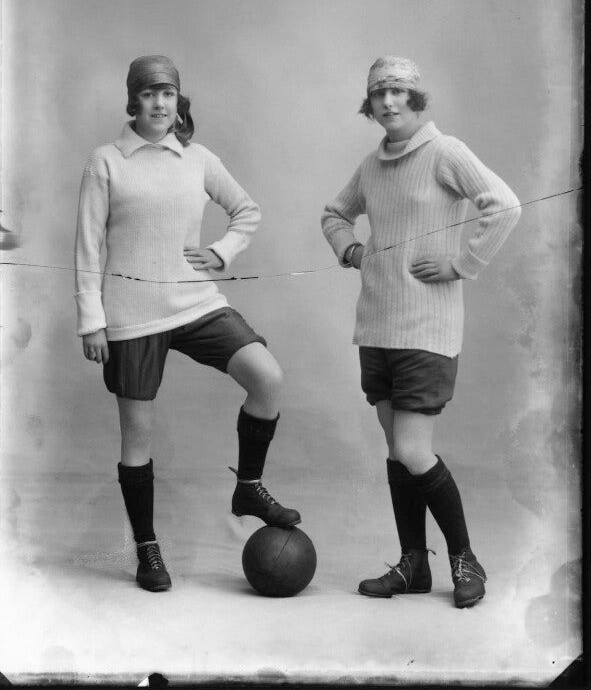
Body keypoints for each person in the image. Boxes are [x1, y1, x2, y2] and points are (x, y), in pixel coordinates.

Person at [75, 55, 300, 592]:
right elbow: (87, 243)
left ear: (179, 103)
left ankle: (248, 486)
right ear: (134, 102)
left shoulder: (197, 158)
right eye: (149, 94)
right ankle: (148, 550)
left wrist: (221, 253)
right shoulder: (106, 161)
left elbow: (246, 210)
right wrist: (91, 320)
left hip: (195, 301)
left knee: (266, 376)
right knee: (138, 439)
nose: (159, 104)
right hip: (130, 315)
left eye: (168, 94)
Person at [321, 56, 521, 608]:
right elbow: (335, 215)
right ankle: (413, 565)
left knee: (412, 448)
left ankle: (464, 558)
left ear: (416, 98)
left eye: (398, 92)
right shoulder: (370, 165)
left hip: (426, 329)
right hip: (377, 325)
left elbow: (503, 206)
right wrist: (351, 249)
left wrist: (463, 264)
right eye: (378, 94)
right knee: (395, 450)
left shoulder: (444, 152)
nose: (388, 103)